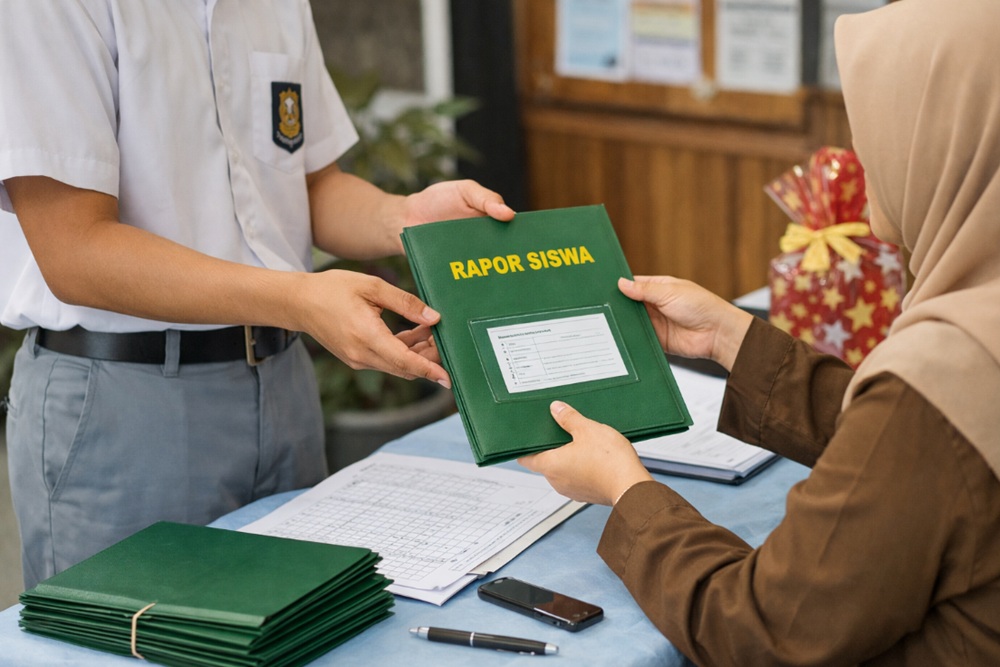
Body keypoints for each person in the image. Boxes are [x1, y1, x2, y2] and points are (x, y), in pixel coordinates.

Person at [518, 0, 1000, 664]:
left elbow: (763, 630)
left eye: (879, 128)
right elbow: (925, 460)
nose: (862, 157)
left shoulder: (947, 371)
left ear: (943, 144)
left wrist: (625, 489)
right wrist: (730, 338)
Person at [0, 1, 514, 589]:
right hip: (125, 404)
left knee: (302, 630)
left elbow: (311, 185)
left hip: (283, 388)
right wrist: (298, 299)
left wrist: (404, 218)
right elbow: (76, 251)